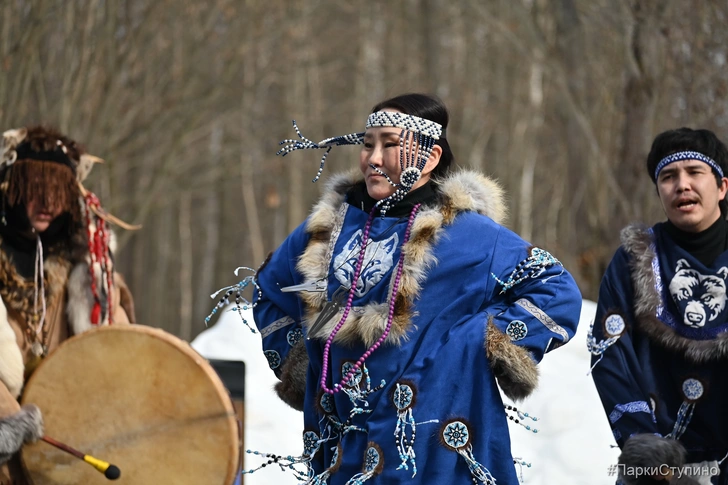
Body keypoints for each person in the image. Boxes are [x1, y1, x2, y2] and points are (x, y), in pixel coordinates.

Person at [238, 93, 582, 484]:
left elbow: (557, 289)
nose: (374, 158)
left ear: (430, 157)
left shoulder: (469, 234)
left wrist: (480, 340)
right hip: (341, 448)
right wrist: (302, 360)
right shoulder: (329, 229)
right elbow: (270, 290)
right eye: (367, 145)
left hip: (431, 447)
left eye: (390, 144)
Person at [589, 128, 728, 485]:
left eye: (694, 172)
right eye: (668, 177)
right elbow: (610, 351)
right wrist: (642, 442)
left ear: (722, 187)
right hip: (655, 468)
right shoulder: (634, 259)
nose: (681, 185)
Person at [0, 126, 136, 483]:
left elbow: (120, 350)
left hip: (67, 449)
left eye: (56, 191)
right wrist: (7, 418)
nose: (47, 203)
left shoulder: (91, 275)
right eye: (36, 190)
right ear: (12, 188)